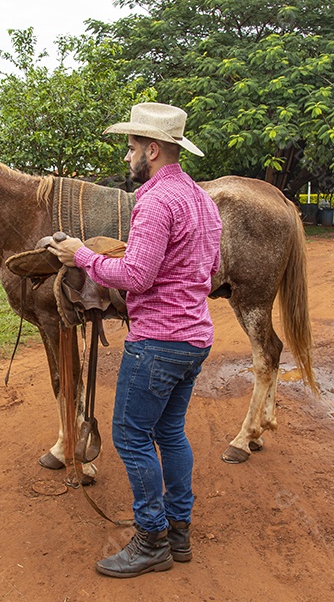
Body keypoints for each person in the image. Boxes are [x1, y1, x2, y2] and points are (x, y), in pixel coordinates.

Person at [47, 102, 222, 577]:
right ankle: (178, 531)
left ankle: (151, 541)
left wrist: (81, 255)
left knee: (129, 433)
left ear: (152, 149)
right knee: (169, 432)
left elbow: (136, 277)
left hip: (158, 341)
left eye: (130, 149)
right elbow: (208, 269)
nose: (127, 158)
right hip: (194, 338)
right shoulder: (202, 200)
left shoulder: (155, 199)